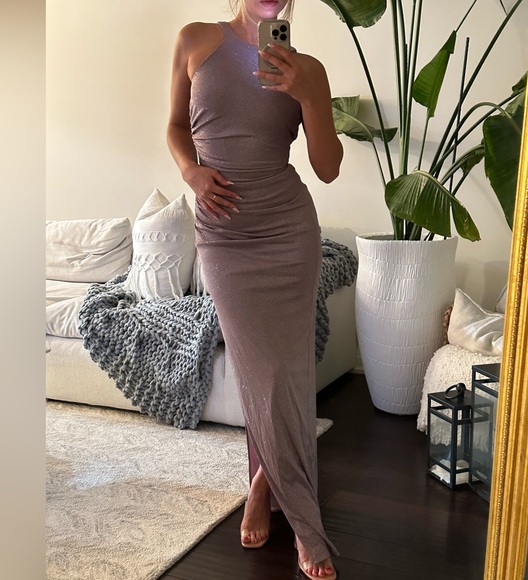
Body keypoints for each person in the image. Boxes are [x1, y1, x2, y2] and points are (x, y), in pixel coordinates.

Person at [167, 1, 343, 578]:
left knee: (286, 373)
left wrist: (308, 95)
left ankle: (268, 486)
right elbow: (175, 127)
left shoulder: (307, 68)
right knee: (255, 369)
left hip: (288, 231)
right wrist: (192, 173)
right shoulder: (195, 39)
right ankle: (289, 503)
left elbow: (328, 167)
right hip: (223, 236)